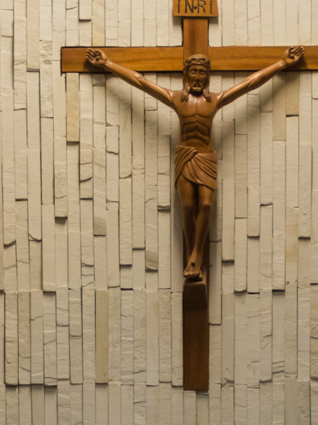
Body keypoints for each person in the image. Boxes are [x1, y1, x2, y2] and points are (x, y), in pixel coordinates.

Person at [84, 45, 305, 283]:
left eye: (202, 72)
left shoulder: (215, 101)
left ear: (207, 76)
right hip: (185, 155)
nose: (197, 77)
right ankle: (192, 254)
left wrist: (282, 63)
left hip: (206, 157)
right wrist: (107, 64)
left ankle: (197, 254)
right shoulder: (176, 99)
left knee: (207, 204)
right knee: (188, 207)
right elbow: (141, 82)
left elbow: (250, 83)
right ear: (186, 75)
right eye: (193, 72)